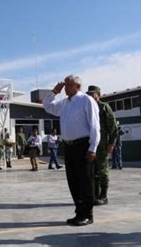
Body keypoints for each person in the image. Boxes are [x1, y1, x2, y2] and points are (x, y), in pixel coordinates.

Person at [43, 75, 100, 226]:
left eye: (68, 85)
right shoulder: (65, 103)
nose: (65, 88)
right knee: (73, 181)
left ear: (78, 86)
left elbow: (95, 126)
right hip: (68, 146)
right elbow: (48, 107)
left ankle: (88, 214)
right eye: (65, 85)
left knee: (85, 181)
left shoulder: (86, 100)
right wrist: (54, 92)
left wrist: (93, 147)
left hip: (83, 146)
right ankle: (79, 212)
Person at [86, 85, 118, 206]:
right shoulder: (87, 107)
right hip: (90, 145)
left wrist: (111, 143)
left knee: (102, 170)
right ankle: (95, 195)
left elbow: (113, 127)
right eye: (88, 94)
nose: (90, 96)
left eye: (92, 94)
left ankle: (103, 196)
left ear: (98, 95)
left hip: (103, 145)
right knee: (92, 171)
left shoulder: (104, 107)